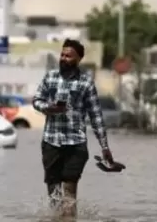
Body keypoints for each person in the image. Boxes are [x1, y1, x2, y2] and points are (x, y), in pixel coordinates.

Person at [32, 39, 113, 219]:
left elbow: (96, 116)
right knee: (53, 190)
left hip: (76, 144)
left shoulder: (86, 83)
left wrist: (104, 147)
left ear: (78, 59)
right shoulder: (50, 77)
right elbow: (36, 100)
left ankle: (68, 219)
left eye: (68, 56)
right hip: (51, 141)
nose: (63, 58)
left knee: (69, 190)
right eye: (62, 54)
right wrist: (48, 108)